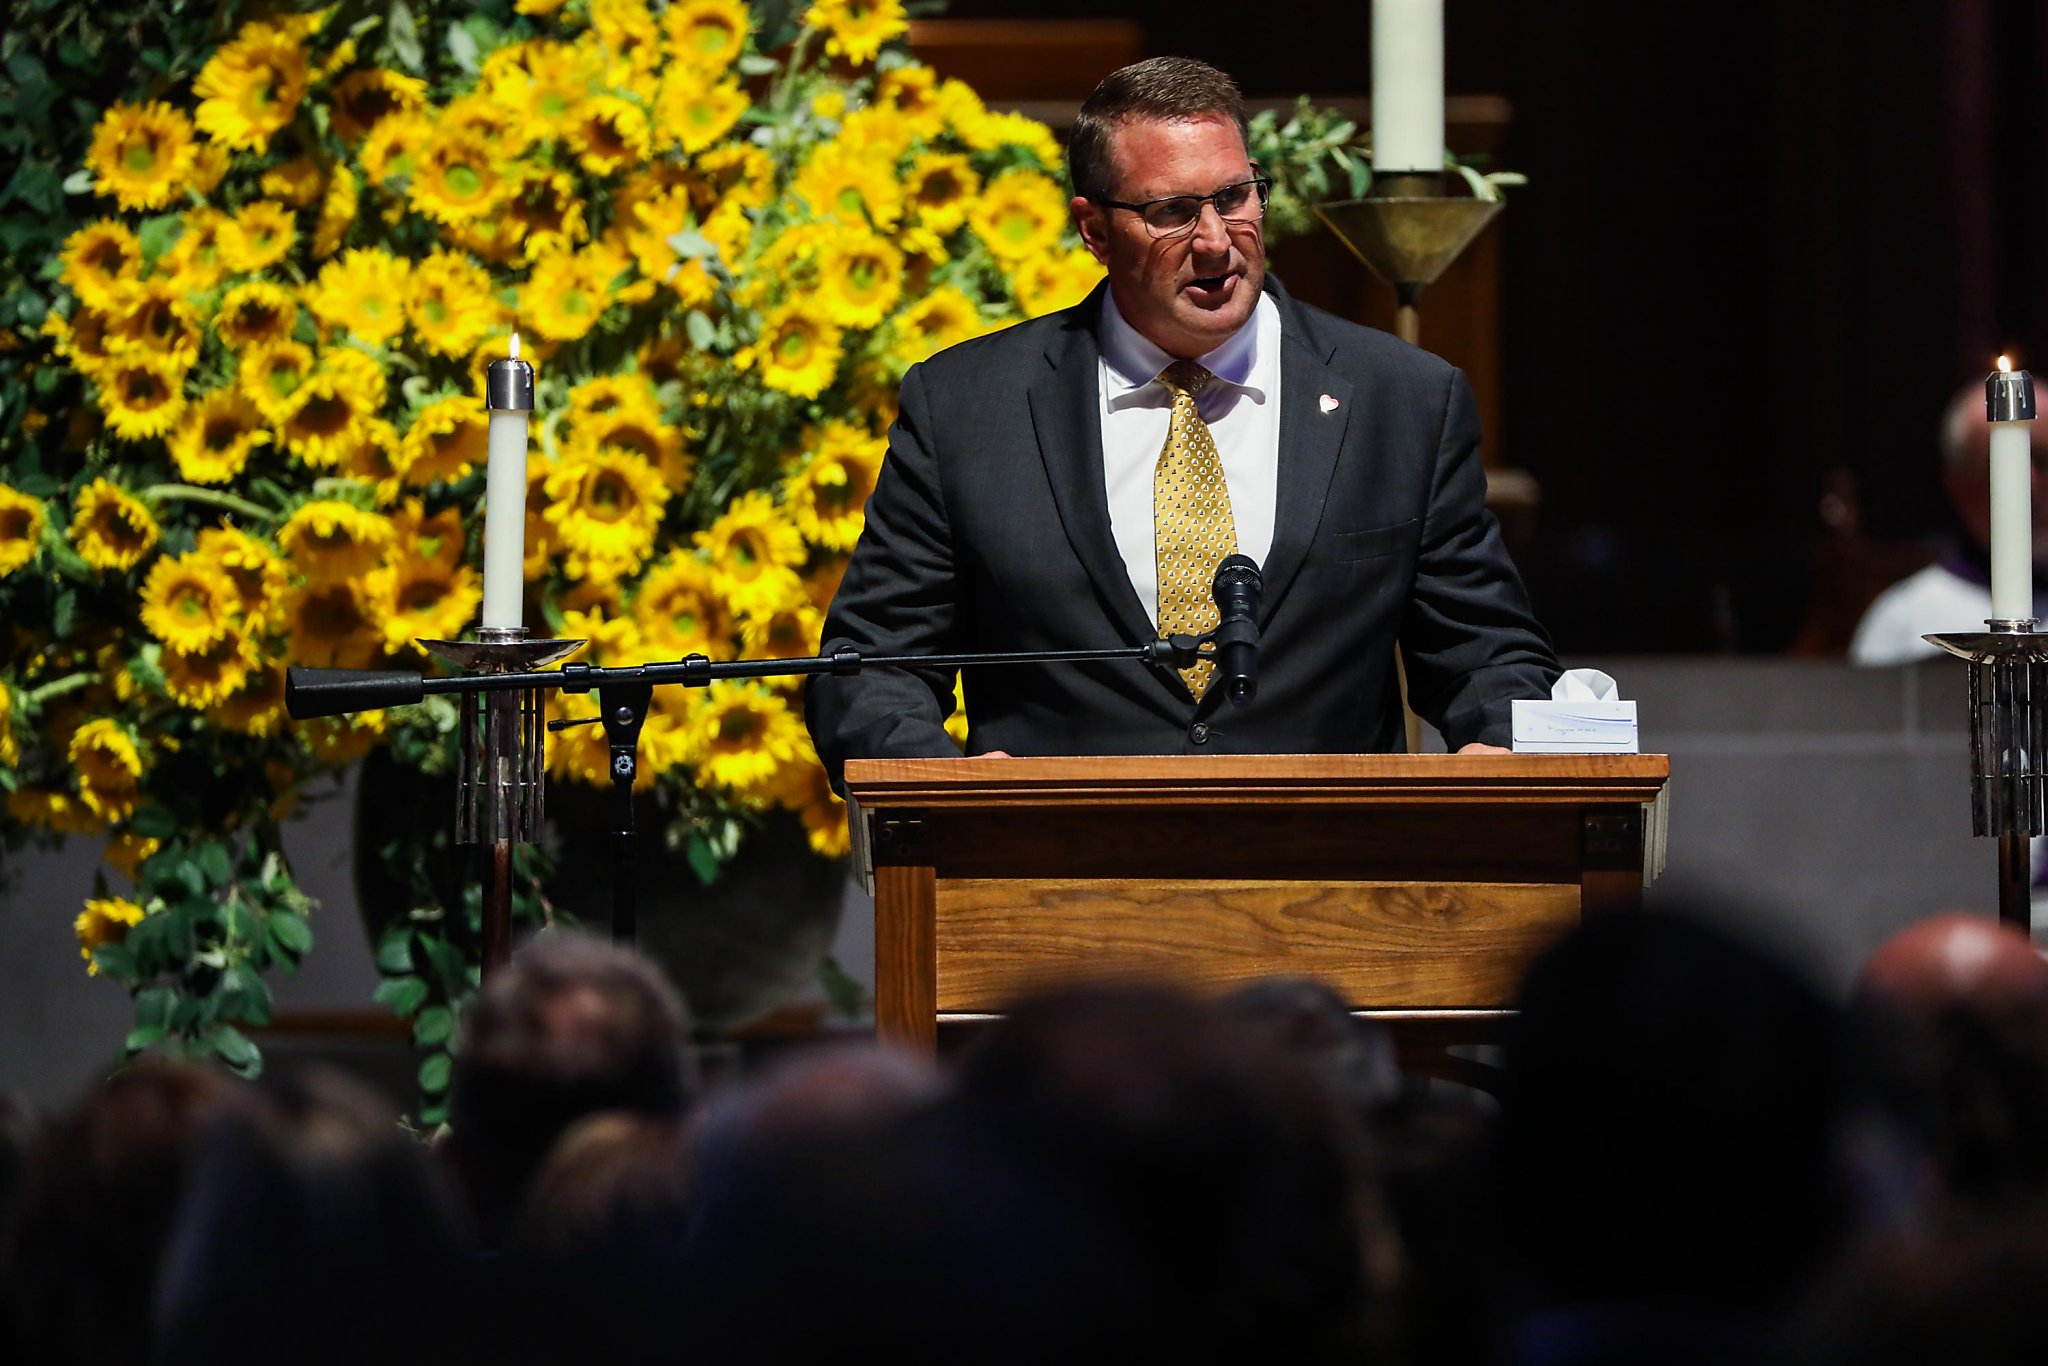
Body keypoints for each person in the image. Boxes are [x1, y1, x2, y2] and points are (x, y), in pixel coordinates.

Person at [806, 57, 1559, 777]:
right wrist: (946, 787)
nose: (1214, 242)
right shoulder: (969, 406)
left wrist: (1507, 745)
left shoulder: (1401, 400)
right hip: (1052, 881)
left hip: (1331, 880)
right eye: (1171, 212)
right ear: (1094, 230)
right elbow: (872, 665)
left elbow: (1487, 656)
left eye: (1234, 198)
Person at [1849, 378, 2047, 664]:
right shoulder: (1905, 619)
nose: (2030, 484)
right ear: (1956, 485)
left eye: (2044, 459)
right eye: (1995, 464)